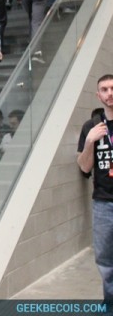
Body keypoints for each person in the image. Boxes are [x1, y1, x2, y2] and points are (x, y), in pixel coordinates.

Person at [77, 74, 113, 302]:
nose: (110, 93)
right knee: (105, 260)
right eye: (105, 89)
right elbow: (84, 167)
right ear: (98, 95)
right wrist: (90, 141)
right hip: (103, 203)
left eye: (112, 88)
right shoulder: (91, 127)